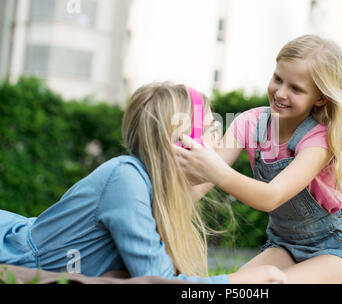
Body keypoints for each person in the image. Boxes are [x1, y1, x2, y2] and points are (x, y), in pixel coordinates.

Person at [0, 82, 287, 284]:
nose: (220, 141)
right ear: (182, 144)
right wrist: (238, 281)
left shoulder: (153, 187)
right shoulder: (126, 180)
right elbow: (157, 280)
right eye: (212, 129)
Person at [174, 35, 342, 284]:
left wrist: (215, 170)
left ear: (320, 97)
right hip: (285, 247)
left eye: (296, 89)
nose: (280, 93)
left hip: (339, 253)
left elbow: (271, 197)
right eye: (278, 79)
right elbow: (198, 183)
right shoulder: (248, 124)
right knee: (236, 286)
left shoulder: (318, 142)